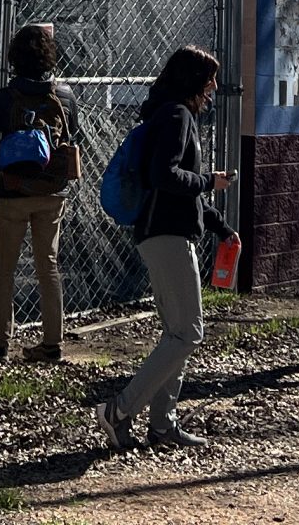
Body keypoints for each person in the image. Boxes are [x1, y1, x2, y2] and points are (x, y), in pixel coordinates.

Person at [96, 45, 233, 451]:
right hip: (165, 235)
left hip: (169, 231)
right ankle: (119, 409)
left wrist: (220, 226)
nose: (214, 86)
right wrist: (210, 182)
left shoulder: (169, 113)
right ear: (193, 80)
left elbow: (178, 187)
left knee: (177, 333)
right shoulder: (178, 116)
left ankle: (162, 426)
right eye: (209, 78)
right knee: (189, 332)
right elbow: (166, 176)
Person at [0, 22, 78, 361]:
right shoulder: (63, 94)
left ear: (14, 58)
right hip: (52, 192)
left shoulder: (8, 96)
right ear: (50, 57)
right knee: (47, 265)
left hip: (14, 191)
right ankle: (52, 343)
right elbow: (72, 133)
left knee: (4, 268)